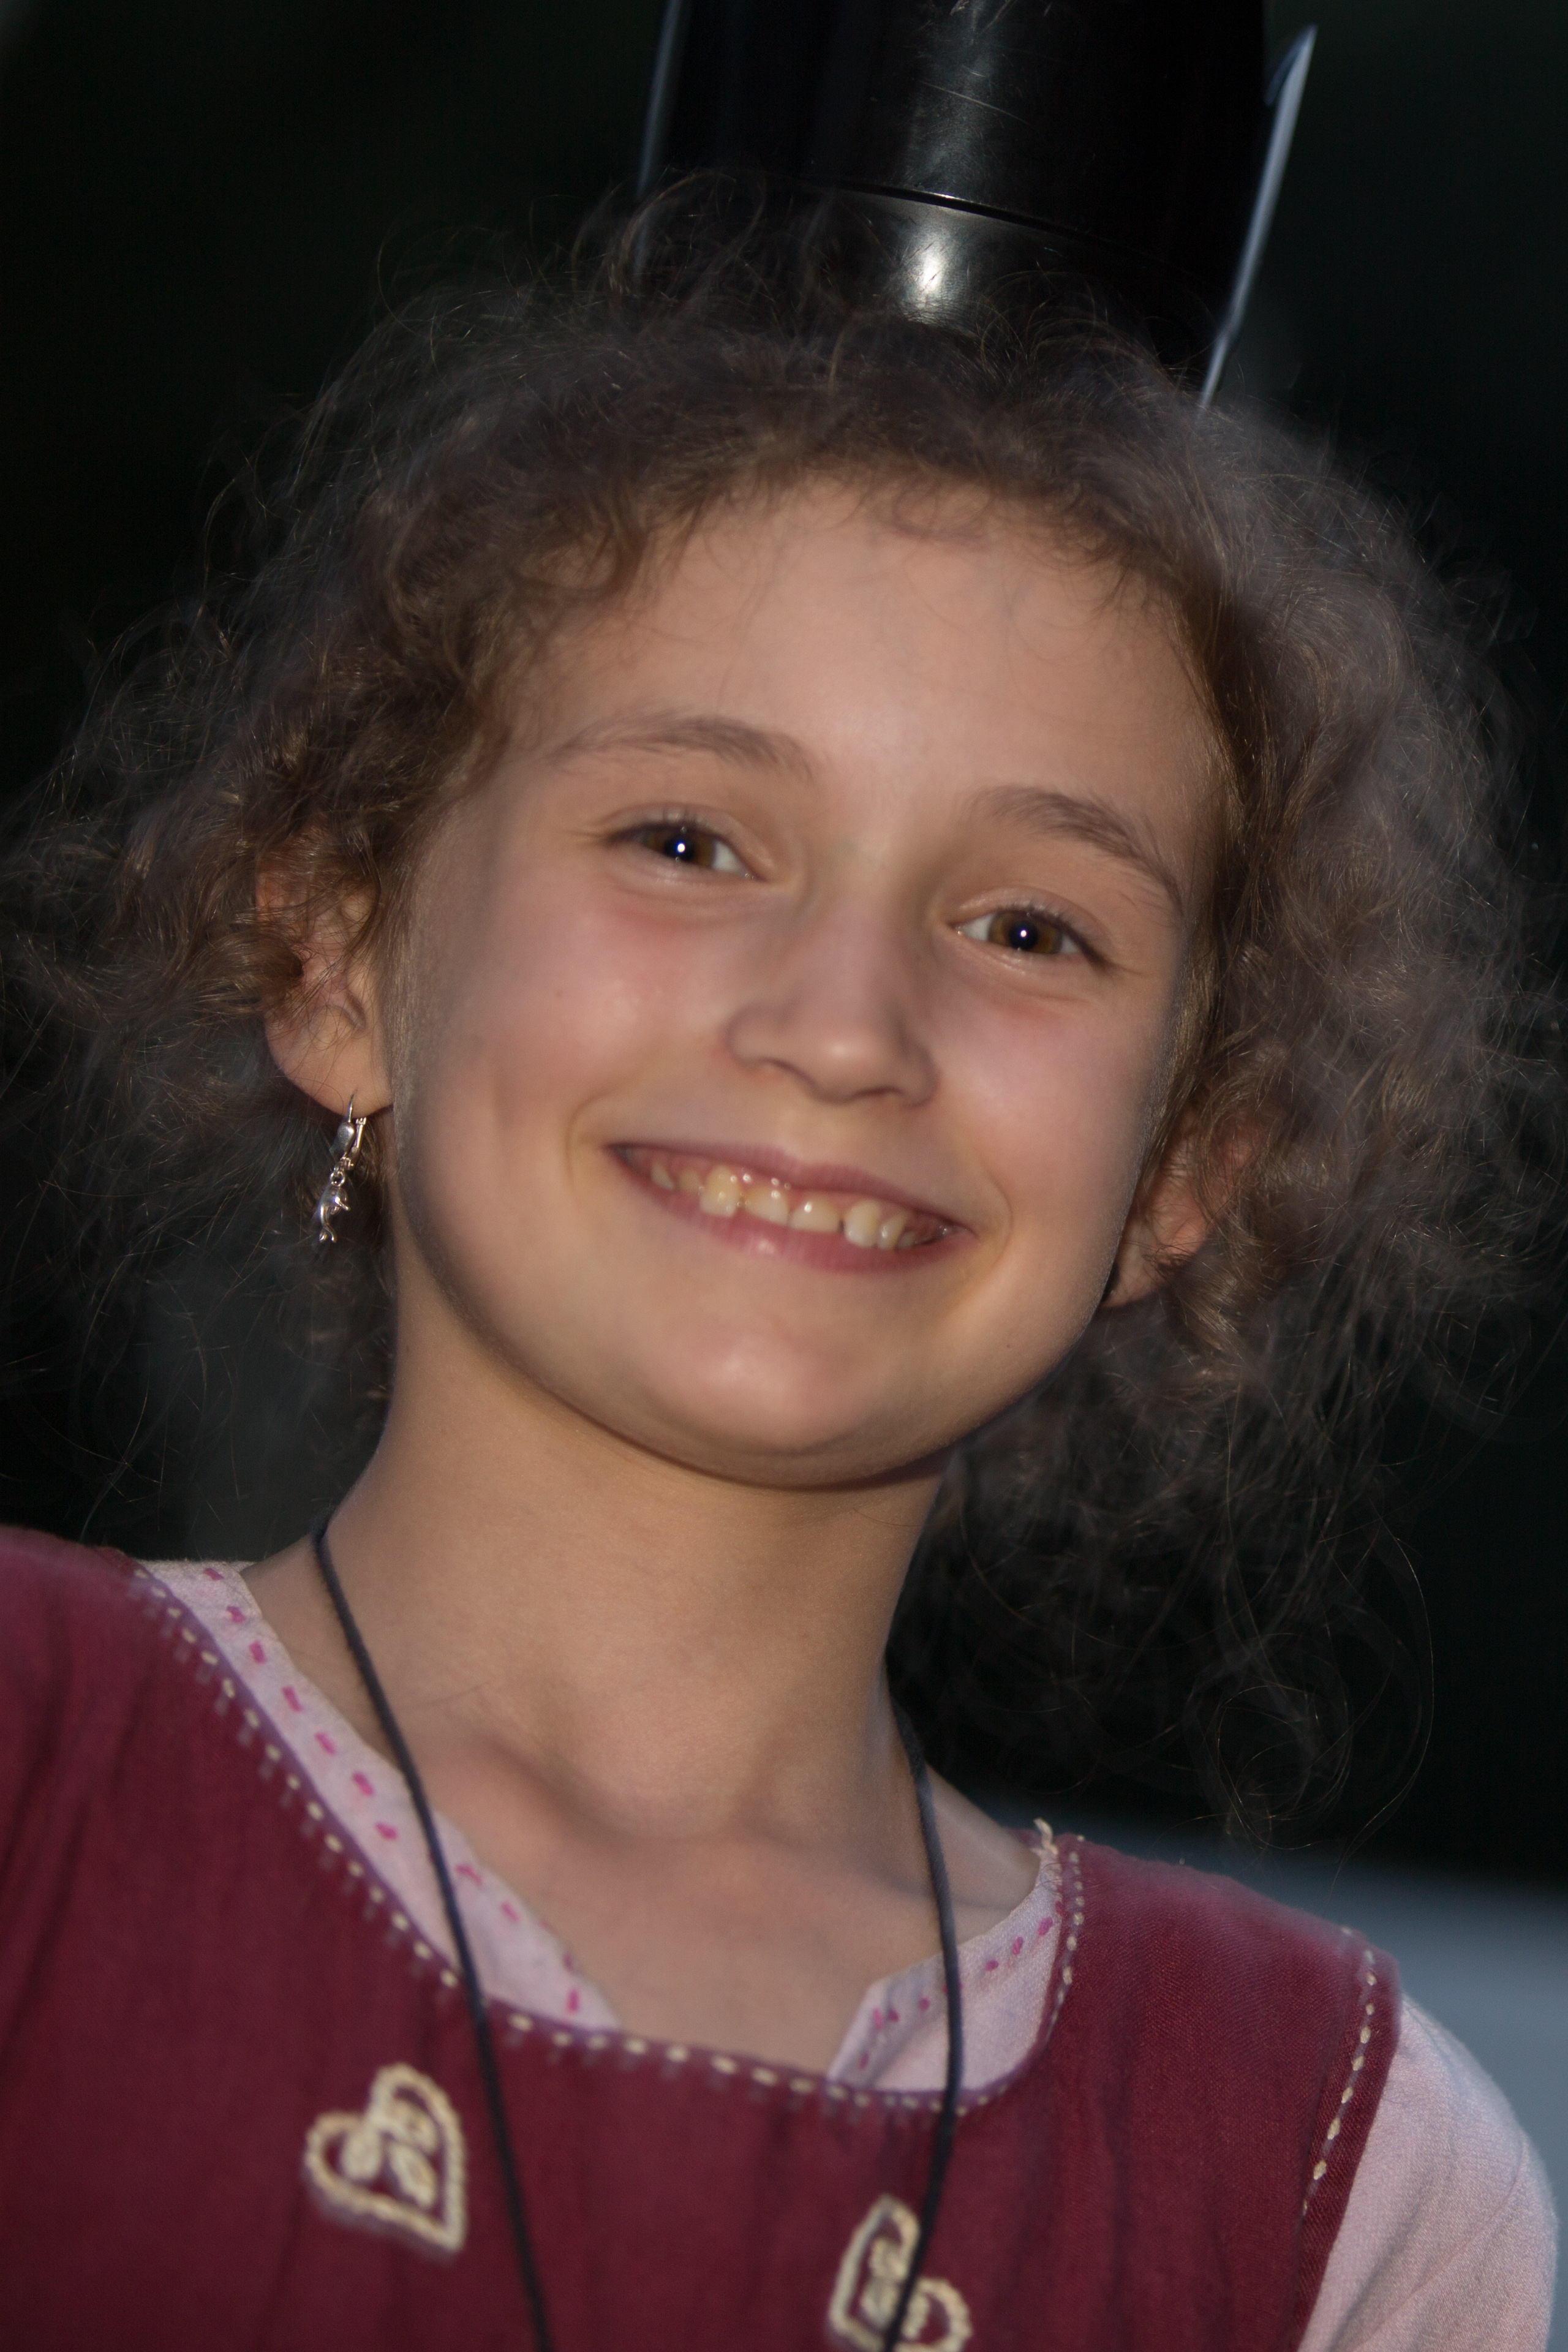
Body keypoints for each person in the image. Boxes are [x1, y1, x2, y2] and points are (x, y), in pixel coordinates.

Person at [0, 206, 1556, 2349]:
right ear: (334, 955)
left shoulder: (1334, 2186)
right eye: (687, 841)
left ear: (1190, 1161)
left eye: (1030, 929)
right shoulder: (38, 1774)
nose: (841, 1030)